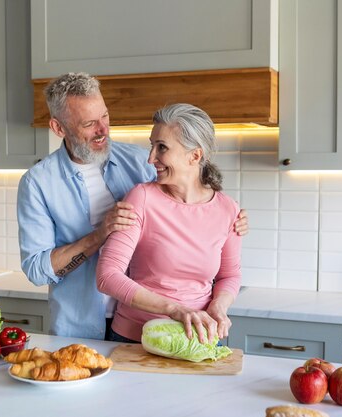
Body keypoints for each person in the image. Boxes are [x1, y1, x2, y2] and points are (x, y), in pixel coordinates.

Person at [17, 73, 248, 340]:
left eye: (105, 117)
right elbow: (36, 270)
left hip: (149, 322)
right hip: (80, 325)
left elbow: (185, 190)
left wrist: (230, 219)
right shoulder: (38, 183)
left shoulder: (140, 161)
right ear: (59, 128)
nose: (103, 130)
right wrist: (99, 235)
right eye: (90, 123)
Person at [96, 103, 241, 344]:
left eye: (161, 147)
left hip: (197, 339)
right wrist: (174, 309)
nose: (151, 158)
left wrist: (219, 306)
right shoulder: (141, 198)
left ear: (194, 155)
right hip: (136, 339)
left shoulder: (228, 209)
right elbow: (107, 276)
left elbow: (230, 276)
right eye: (152, 145)